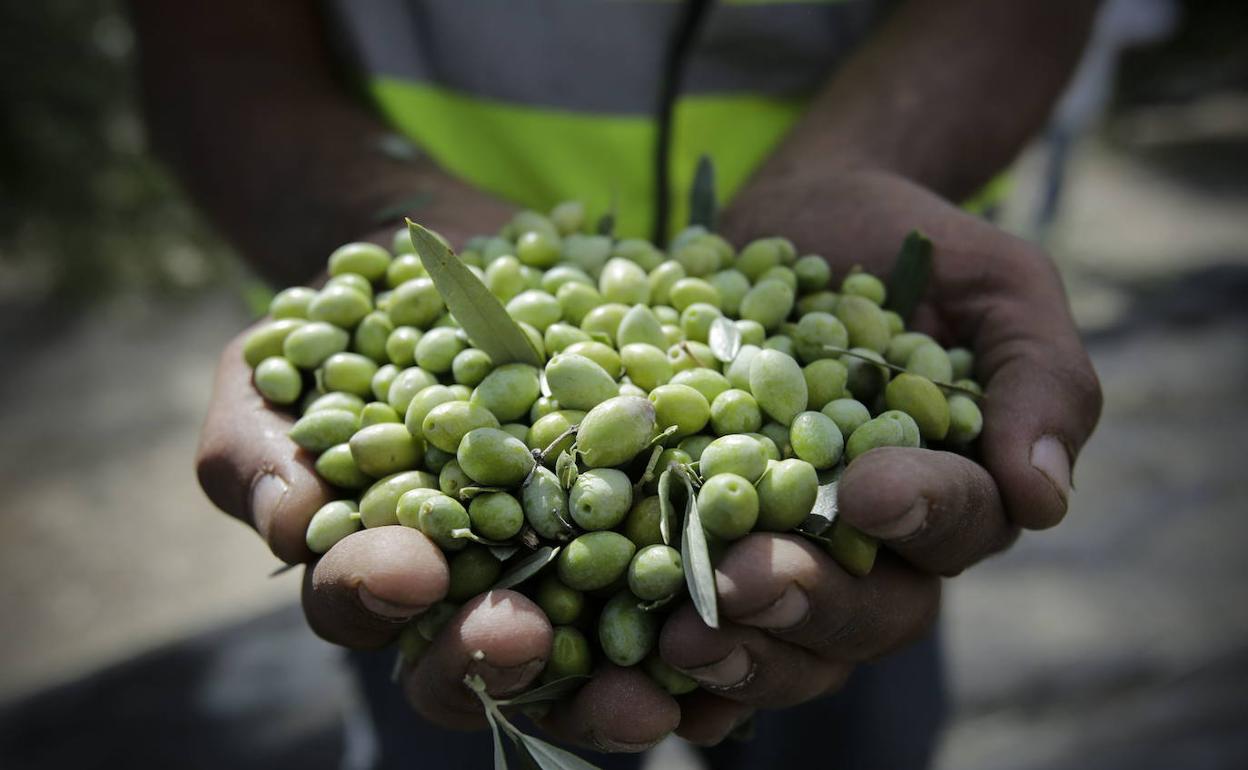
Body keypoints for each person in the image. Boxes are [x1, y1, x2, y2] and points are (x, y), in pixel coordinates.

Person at [130, 1, 1103, 767]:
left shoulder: (811, 362)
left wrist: (871, 159)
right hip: (459, 244)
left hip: (810, 287)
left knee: (844, 700)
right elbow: (208, 41)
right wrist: (377, 213)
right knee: (461, 668)